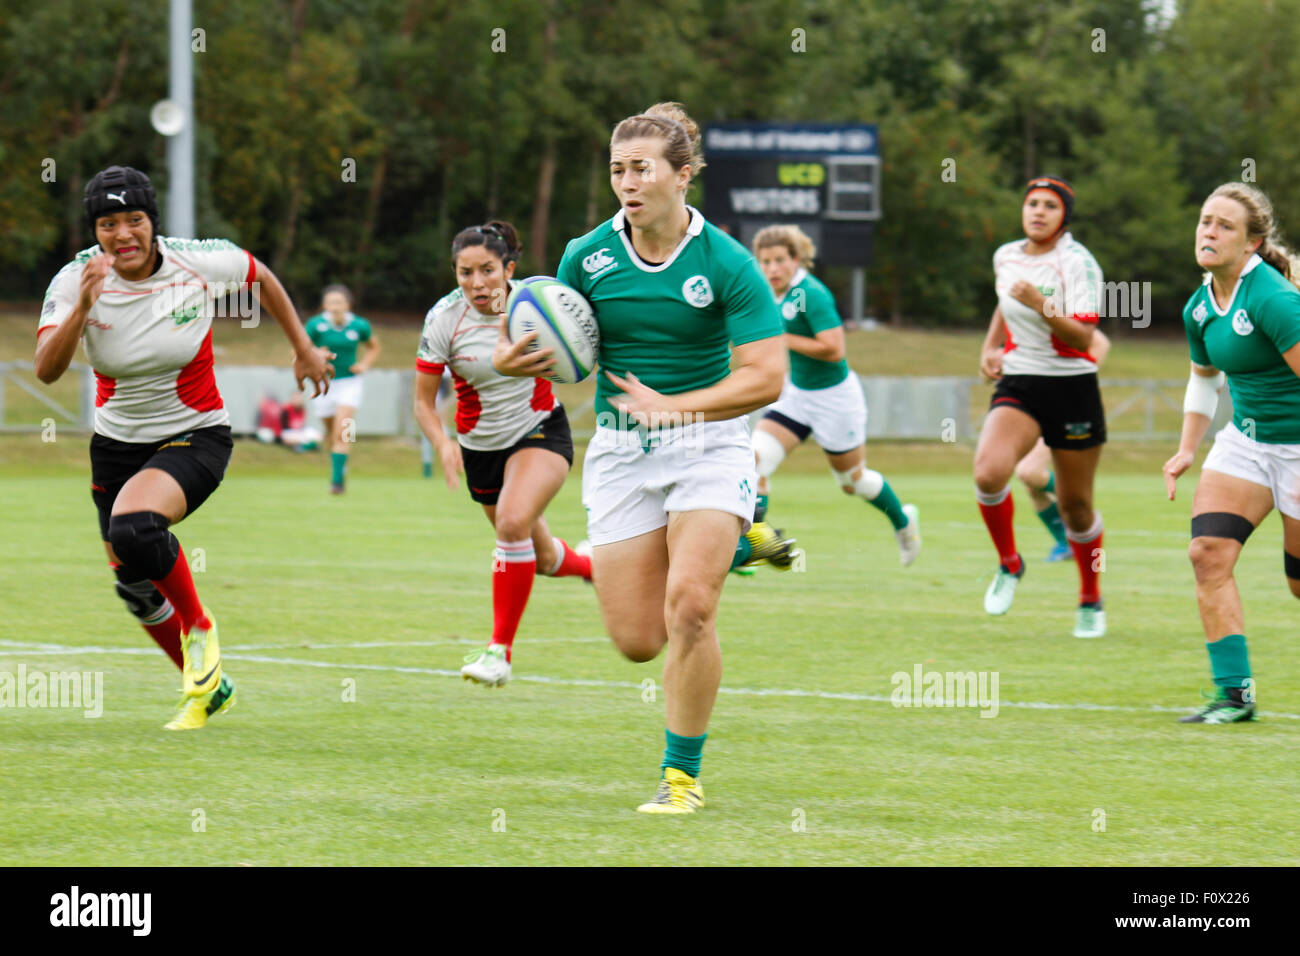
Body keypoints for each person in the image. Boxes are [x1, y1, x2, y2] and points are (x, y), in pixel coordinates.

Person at [494, 102, 793, 814]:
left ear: (682, 176)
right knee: (636, 641)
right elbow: (561, 352)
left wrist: (678, 405)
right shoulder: (584, 256)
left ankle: (681, 779)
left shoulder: (726, 262)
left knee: (690, 607)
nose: (627, 182)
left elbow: (766, 376)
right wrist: (513, 362)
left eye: (642, 168)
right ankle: (745, 542)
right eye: (617, 169)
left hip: (709, 443)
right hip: (623, 452)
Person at [34, 165, 333, 730]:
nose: (122, 234)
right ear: (94, 230)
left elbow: (261, 276)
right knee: (134, 585)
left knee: (136, 528)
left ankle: (199, 627)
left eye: (134, 219)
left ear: (153, 222)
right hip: (117, 447)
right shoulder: (75, 280)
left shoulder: (196, 262)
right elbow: (47, 371)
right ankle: (208, 692)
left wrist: (304, 349)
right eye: (108, 223)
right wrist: (83, 308)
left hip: (194, 434)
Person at [413, 221, 593, 688]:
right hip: (480, 451)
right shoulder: (443, 320)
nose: (477, 283)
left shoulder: (538, 306)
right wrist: (442, 443)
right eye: (465, 272)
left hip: (540, 433)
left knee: (512, 524)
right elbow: (422, 401)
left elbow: (588, 342)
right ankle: (597, 568)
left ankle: (499, 652)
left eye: (488, 270)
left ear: (509, 267)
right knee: (545, 557)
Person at [1163, 182, 1300, 723]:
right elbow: (1204, 383)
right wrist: (1185, 449)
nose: (1209, 231)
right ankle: (1235, 696)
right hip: (1245, 444)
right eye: (1204, 221)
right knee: (1208, 554)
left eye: (1224, 225)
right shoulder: (1200, 307)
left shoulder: (1273, 299)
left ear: (1251, 244)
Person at [973, 176, 1107, 638]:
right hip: (1021, 382)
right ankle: (1010, 564)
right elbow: (1003, 302)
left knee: (1076, 507)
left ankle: (1090, 596)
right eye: (1032, 203)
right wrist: (991, 347)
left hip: (1072, 387)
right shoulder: (1006, 255)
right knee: (989, 473)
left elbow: (1083, 337)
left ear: (1063, 216)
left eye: (1050, 206)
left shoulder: (1078, 263)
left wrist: (1041, 303)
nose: (1038, 212)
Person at [750, 224, 921, 566]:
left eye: (780, 260)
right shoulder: (766, 292)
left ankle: (904, 523)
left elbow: (834, 349)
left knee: (852, 482)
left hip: (835, 400)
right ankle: (757, 545)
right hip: (796, 394)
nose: (772, 269)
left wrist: (782, 341)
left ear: (796, 260)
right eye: (765, 261)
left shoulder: (812, 294)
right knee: (754, 459)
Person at [1010, 328, 1111, 561]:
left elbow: (1101, 342)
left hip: (1068, 410)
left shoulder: (1054, 306)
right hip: (1033, 408)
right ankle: (1065, 542)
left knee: (1030, 472)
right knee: (1032, 486)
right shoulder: (1018, 315)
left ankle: (1083, 508)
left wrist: (1076, 381)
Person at [306, 285, 379, 493]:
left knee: (344, 432)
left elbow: (373, 346)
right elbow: (300, 348)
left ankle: (337, 483)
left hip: (350, 383)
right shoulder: (315, 325)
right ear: (324, 305)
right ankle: (339, 463)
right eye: (331, 302)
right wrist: (315, 353)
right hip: (324, 383)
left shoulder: (359, 325)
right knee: (331, 433)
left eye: (339, 302)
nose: (335, 307)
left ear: (347, 305)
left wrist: (364, 364)